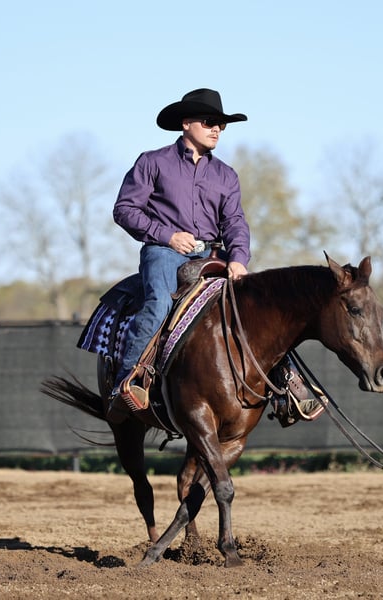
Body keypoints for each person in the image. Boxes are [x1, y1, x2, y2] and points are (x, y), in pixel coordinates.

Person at [107, 88, 250, 422]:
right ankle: (127, 383)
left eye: (221, 125)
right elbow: (124, 209)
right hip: (164, 252)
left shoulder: (226, 175)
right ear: (186, 123)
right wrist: (167, 236)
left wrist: (238, 259)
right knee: (158, 304)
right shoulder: (153, 162)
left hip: (213, 254)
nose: (217, 129)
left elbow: (235, 222)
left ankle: (291, 386)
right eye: (209, 122)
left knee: (256, 304)